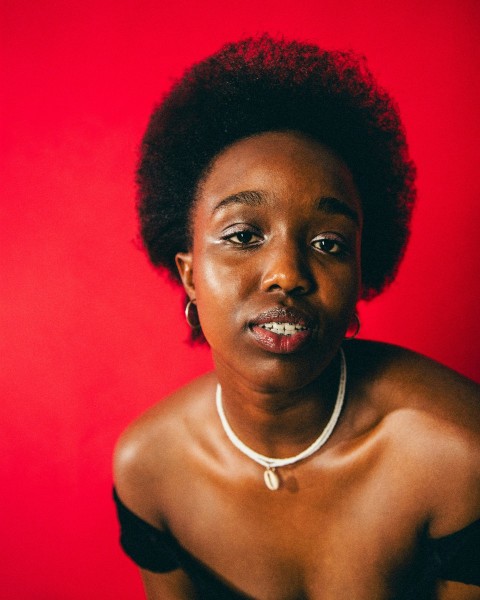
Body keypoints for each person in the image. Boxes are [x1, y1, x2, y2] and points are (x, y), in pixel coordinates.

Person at [113, 36, 480, 599]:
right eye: (243, 235)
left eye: (329, 243)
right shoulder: (149, 469)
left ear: (361, 274)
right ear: (189, 274)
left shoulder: (457, 452)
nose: (287, 273)